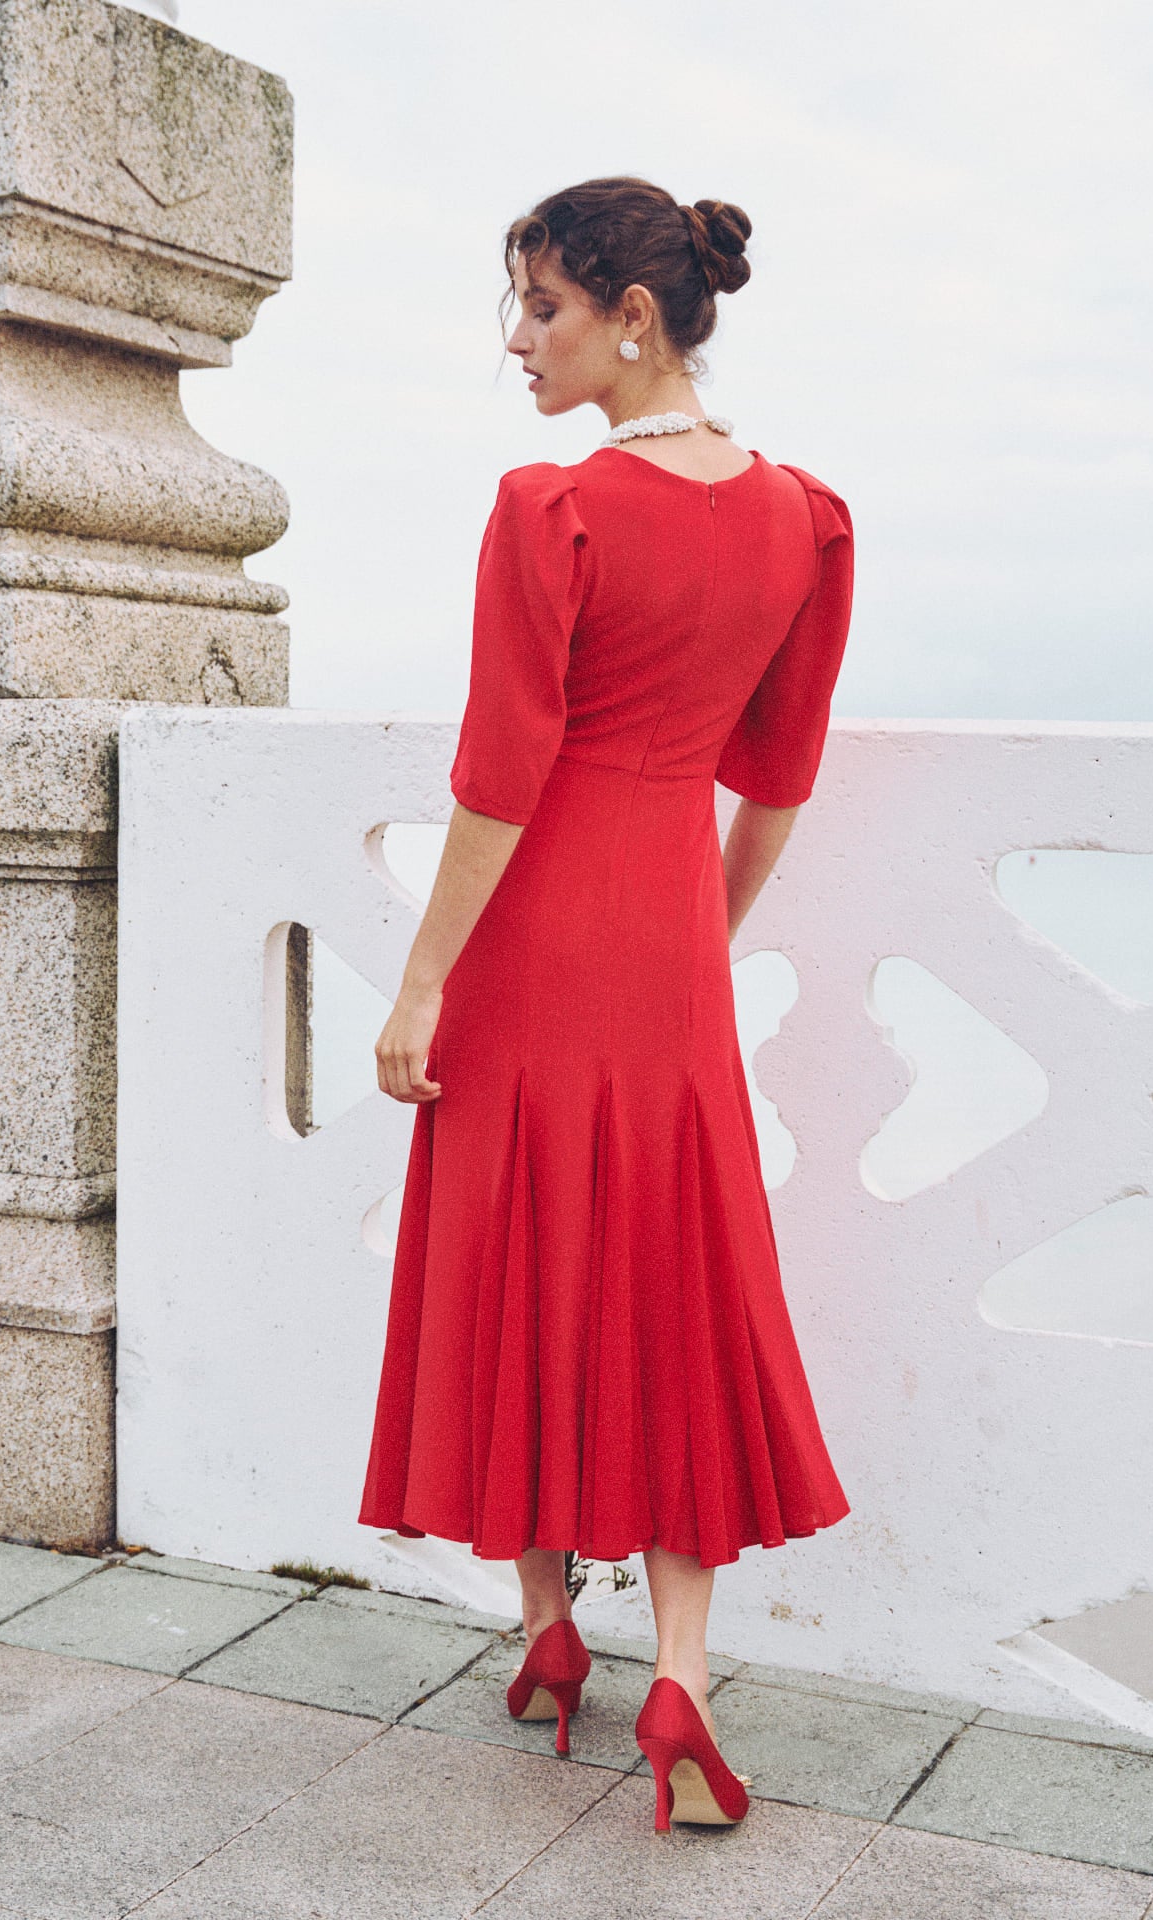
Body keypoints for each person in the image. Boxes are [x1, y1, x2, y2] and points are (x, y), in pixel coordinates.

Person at [358, 175, 853, 1833]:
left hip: (534, 929)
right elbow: (773, 787)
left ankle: (553, 1634)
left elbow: (499, 779)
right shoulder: (807, 518)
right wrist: (692, 946)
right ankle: (684, 1682)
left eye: (543, 308)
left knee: (522, 1264)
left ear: (631, 319)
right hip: (665, 951)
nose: (520, 341)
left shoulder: (550, 510)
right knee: (674, 1285)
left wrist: (420, 982)